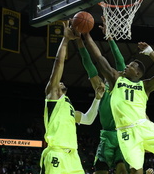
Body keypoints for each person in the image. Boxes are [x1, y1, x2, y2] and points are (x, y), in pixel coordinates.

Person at [82, 28, 154, 174]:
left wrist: (150, 52)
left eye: (130, 66)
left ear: (137, 73)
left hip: (145, 126)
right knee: (136, 171)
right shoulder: (116, 79)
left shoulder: (145, 85)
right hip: (126, 132)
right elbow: (99, 58)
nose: (126, 67)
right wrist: (86, 35)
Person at [40, 20, 105, 174]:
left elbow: (88, 120)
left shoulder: (69, 107)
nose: (60, 81)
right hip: (56, 154)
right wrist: (65, 40)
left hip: (73, 157)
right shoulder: (53, 96)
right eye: (58, 81)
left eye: (61, 81)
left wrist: (97, 98)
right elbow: (58, 63)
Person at [74, 24, 128, 174]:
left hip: (123, 133)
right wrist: (79, 40)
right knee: (100, 170)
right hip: (106, 136)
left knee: (122, 169)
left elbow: (119, 59)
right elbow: (88, 64)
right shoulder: (100, 88)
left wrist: (110, 38)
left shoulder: (121, 85)